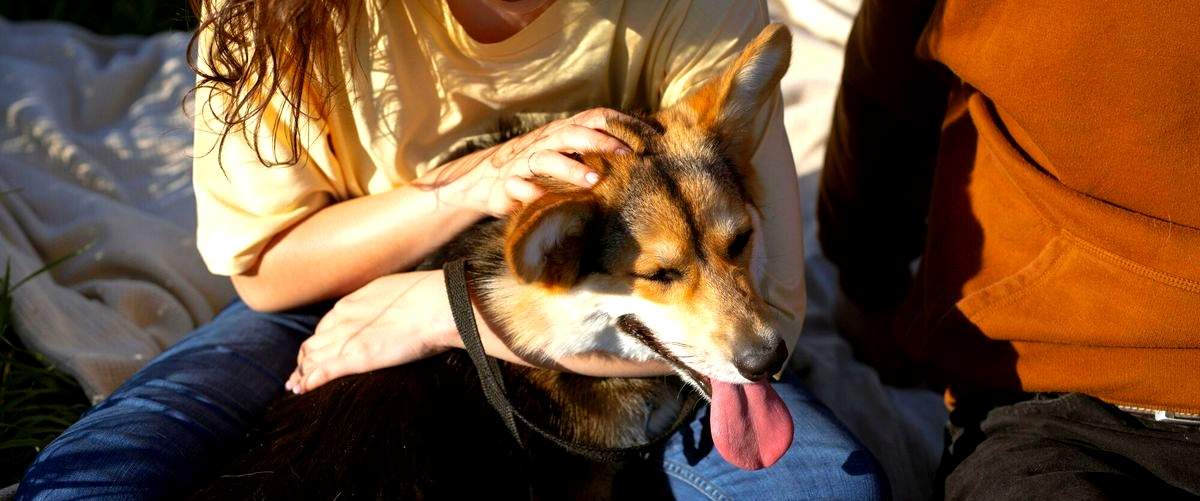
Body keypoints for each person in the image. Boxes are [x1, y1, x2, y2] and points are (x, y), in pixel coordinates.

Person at [18, 0, 887, 499]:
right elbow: (266, 270)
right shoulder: (272, 14)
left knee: (828, 489)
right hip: (344, 294)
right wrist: (467, 188)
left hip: (627, 336)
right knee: (112, 462)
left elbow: (767, 312)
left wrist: (445, 312)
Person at [820, 0, 1200, 498]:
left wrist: (866, 280)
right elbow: (887, 91)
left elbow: (884, 94)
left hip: (1053, 394)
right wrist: (868, 279)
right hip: (1058, 410)